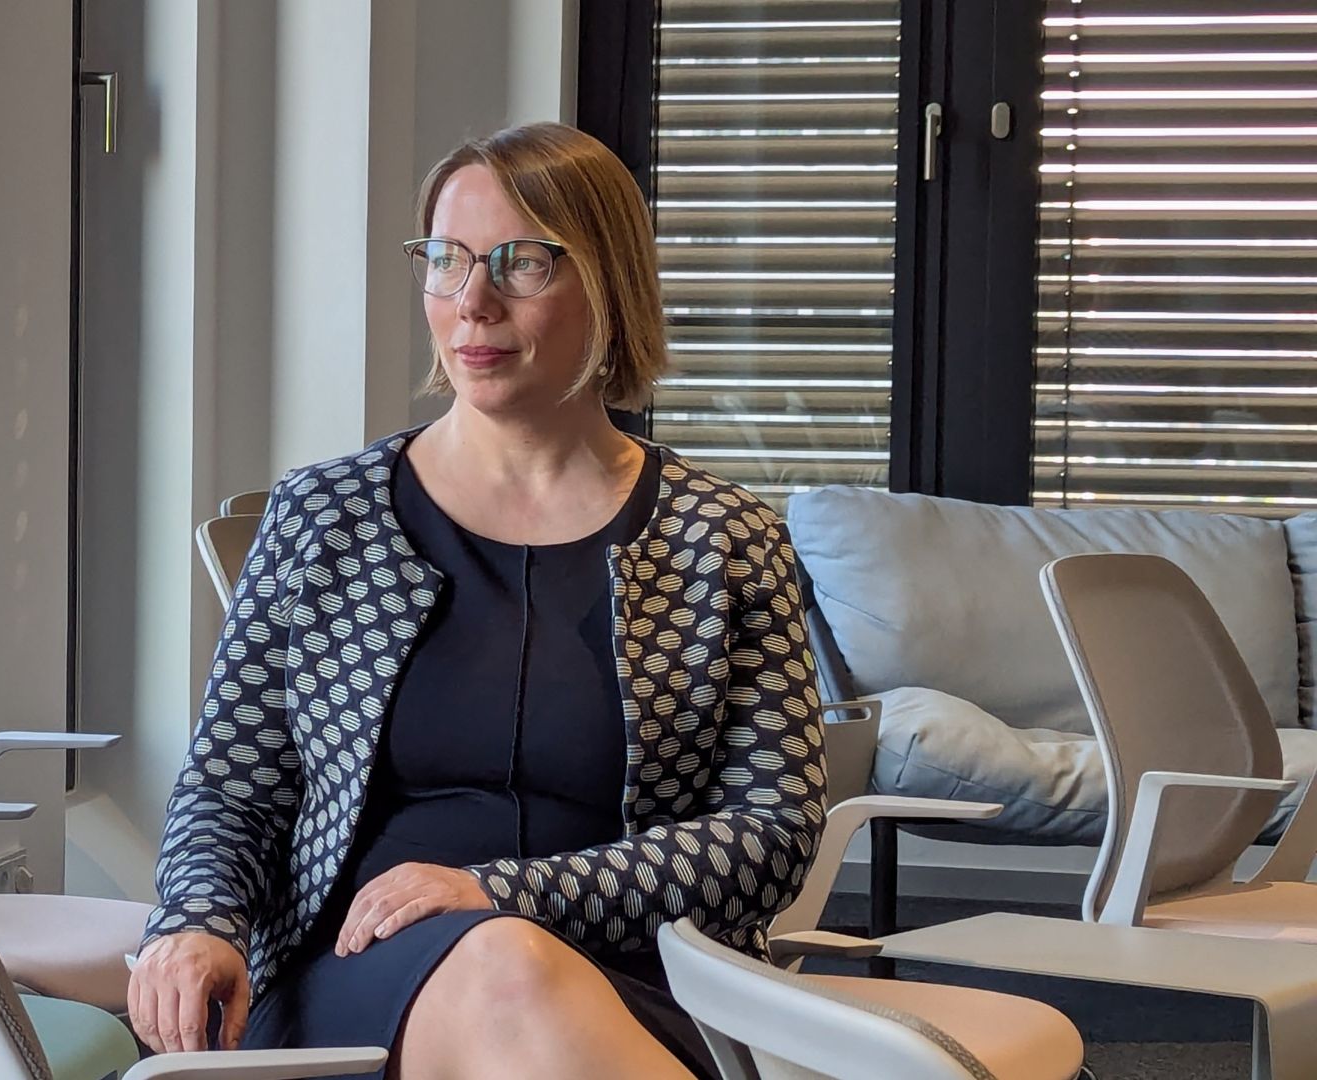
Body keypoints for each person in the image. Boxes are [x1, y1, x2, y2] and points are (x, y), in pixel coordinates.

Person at [128, 121, 826, 1080]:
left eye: (522, 263)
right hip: (362, 966)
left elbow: (771, 837)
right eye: (447, 261)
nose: (473, 302)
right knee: (501, 968)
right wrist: (196, 921)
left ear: (610, 282)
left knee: (509, 960)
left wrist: (504, 893)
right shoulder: (322, 516)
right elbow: (230, 789)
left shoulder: (725, 538)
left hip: (652, 976)